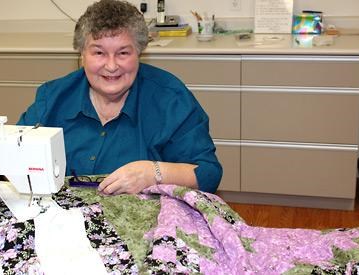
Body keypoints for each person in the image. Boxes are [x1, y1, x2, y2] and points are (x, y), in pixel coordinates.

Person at [18, 0, 222, 195]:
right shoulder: (52, 97)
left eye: (123, 53)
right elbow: (15, 155)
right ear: (81, 55)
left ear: (139, 53)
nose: (112, 66)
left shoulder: (171, 100)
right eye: (99, 53)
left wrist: (153, 173)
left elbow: (208, 174)